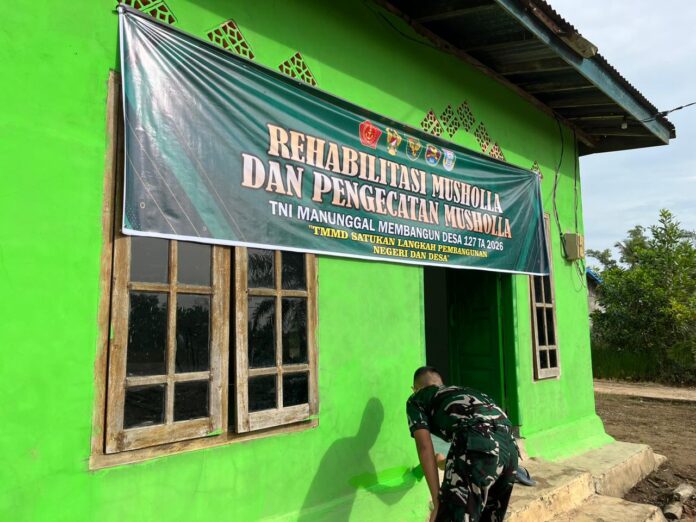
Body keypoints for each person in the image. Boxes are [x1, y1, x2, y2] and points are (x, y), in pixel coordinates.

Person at [406, 366, 518, 522]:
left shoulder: (417, 398)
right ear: (441, 383)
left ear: (415, 389)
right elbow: (482, 445)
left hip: (478, 444)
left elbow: (424, 447)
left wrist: (438, 501)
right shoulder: (463, 392)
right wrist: (444, 462)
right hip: (510, 447)